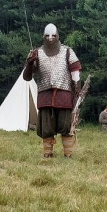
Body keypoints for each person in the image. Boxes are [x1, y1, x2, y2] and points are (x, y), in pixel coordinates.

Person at [22, 23, 82, 157]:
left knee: (66, 126)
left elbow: (75, 72)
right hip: (45, 96)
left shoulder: (67, 51)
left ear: (58, 36)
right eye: (47, 35)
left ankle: (68, 154)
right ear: (43, 36)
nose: (50, 38)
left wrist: (77, 91)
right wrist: (30, 63)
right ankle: (48, 154)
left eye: (53, 35)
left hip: (64, 95)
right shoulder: (36, 53)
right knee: (46, 128)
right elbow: (27, 77)